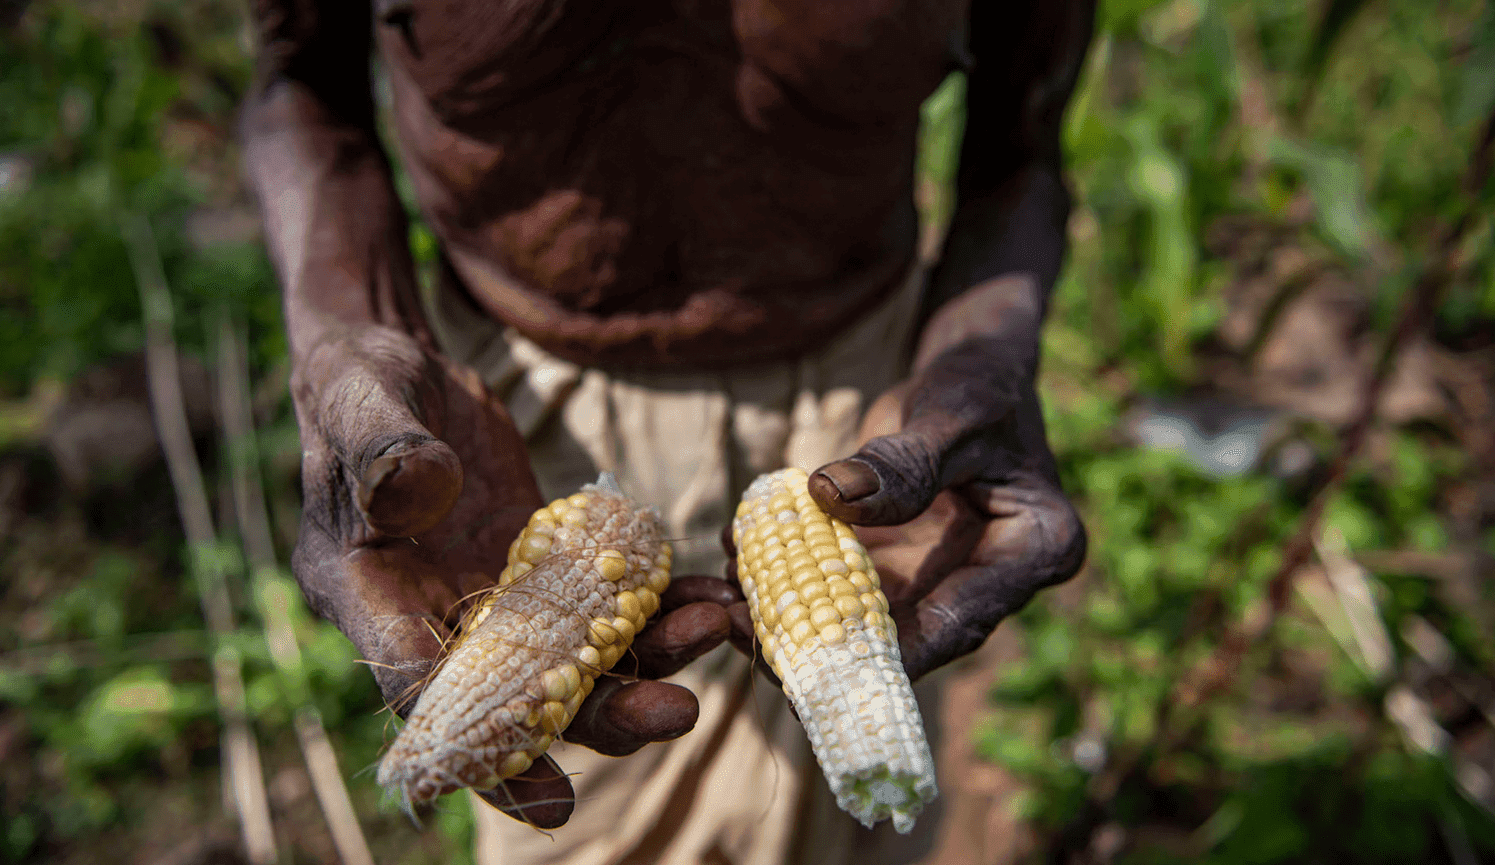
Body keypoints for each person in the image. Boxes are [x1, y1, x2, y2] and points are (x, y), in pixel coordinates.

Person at [241, 1, 1093, 862]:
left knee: (849, 830)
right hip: (501, 425)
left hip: (867, 412)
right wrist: (343, 332)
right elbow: (304, 84)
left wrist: (982, 354)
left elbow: (1022, 135)